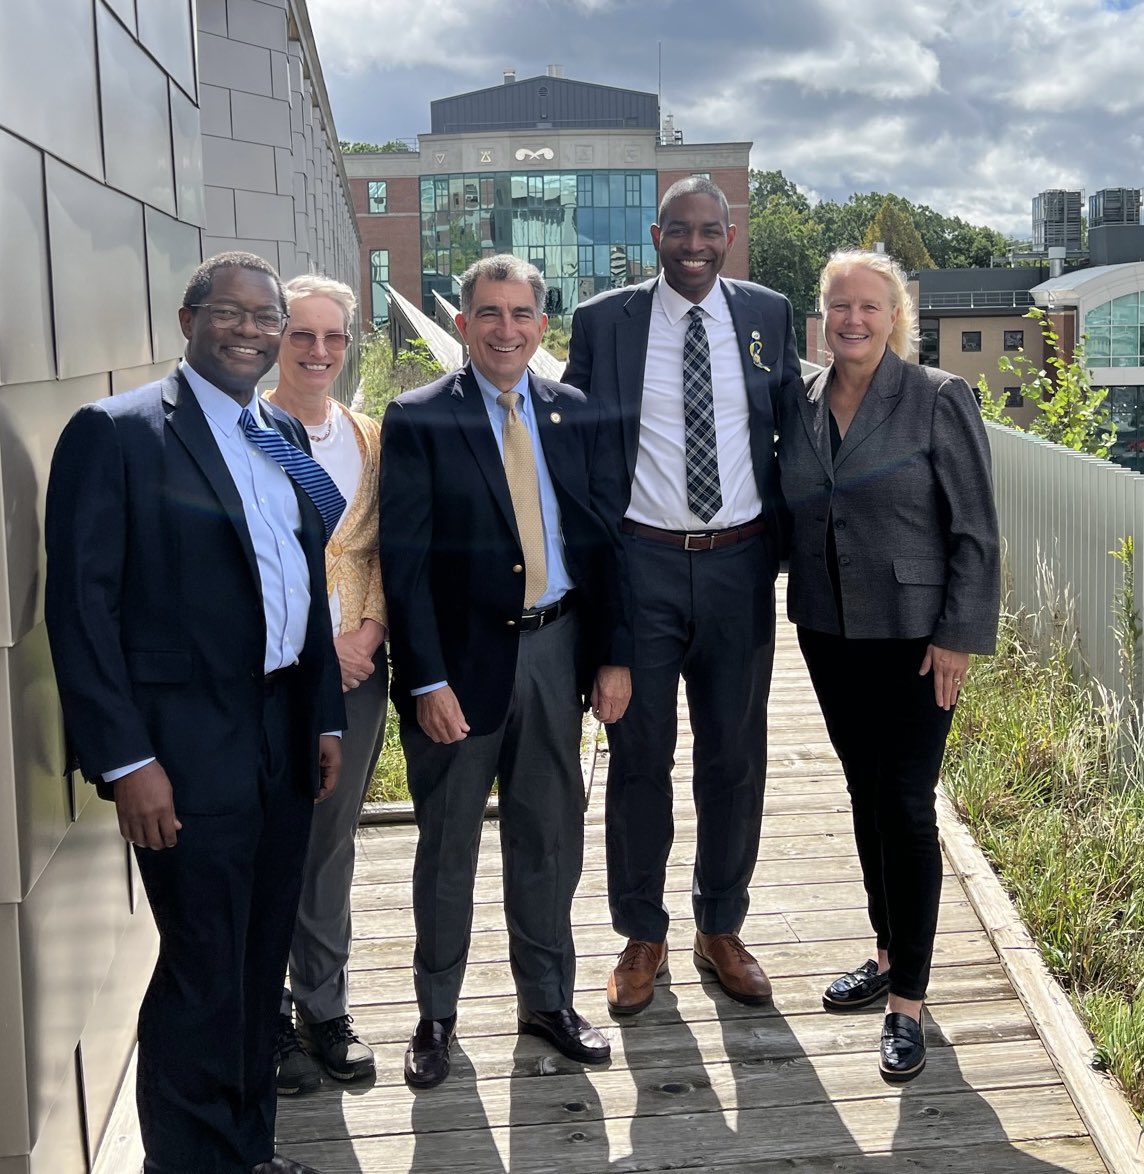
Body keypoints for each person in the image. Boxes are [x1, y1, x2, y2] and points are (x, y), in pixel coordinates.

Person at [44, 252, 345, 1174]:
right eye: (234, 313)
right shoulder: (119, 432)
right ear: (189, 319)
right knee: (200, 971)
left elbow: (304, 583)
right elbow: (81, 609)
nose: (253, 329)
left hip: (282, 732)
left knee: (258, 966)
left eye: (269, 316)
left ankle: (247, 1152)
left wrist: (326, 716)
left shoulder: (277, 436)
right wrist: (127, 759)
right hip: (184, 752)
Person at [379, 255, 630, 1090]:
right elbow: (403, 566)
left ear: (542, 325)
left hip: (557, 654)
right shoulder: (419, 420)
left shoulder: (574, 413)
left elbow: (603, 544)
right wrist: (423, 681)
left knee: (549, 839)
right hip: (459, 669)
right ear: (463, 322)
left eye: (523, 314)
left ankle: (547, 1000)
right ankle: (435, 1015)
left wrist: (613, 655)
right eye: (490, 312)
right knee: (448, 848)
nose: (506, 329)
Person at [563, 177, 803, 1014]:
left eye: (710, 232)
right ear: (656, 234)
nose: (694, 246)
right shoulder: (604, 322)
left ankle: (720, 925)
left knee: (735, 759)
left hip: (740, 566)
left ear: (729, 236)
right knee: (638, 758)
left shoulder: (769, 315)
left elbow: (795, 435)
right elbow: (583, 452)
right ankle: (643, 934)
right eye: (679, 231)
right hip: (642, 568)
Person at [777, 249, 1000, 1082]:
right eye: (840, 306)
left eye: (869, 307)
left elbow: (976, 530)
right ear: (822, 314)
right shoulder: (800, 402)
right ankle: (883, 948)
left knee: (906, 805)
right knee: (864, 795)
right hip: (829, 632)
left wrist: (959, 635)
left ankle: (909, 995)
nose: (853, 320)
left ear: (895, 315)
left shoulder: (939, 399)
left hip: (915, 638)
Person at [263, 276, 387, 1094]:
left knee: (331, 844)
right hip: (270, 674)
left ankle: (324, 1002)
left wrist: (368, 633)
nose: (318, 352)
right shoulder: (246, 434)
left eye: (334, 337)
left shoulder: (370, 436)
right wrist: (318, 649)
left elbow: (379, 549)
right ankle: (262, 1007)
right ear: (276, 338)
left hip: (357, 672)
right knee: (265, 838)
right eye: (301, 334)